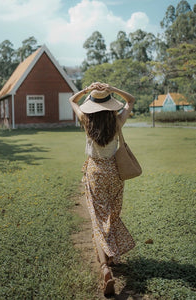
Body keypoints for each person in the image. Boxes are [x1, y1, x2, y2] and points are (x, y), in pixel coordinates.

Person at [69, 82, 136, 296]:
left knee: (97, 220)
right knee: (111, 215)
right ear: (110, 105)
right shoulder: (117, 122)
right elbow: (131, 100)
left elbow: (72, 100)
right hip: (115, 173)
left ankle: (105, 267)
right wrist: (112, 89)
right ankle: (110, 254)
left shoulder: (85, 121)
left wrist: (88, 90)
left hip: (95, 173)